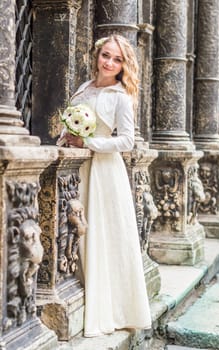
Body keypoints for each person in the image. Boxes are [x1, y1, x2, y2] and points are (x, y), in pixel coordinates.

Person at [58, 34, 151, 337]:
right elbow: (68, 123)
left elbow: (126, 139)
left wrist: (89, 142)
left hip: (105, 171)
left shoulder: (121, 96)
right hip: (80, 167)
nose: (109, 63)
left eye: (117, 59)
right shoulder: (84, 88)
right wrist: (67, 137)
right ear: (97, 55)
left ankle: (114, 307)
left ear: (124, 65)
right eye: (106, 55)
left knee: (104, 233)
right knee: (83, 233)